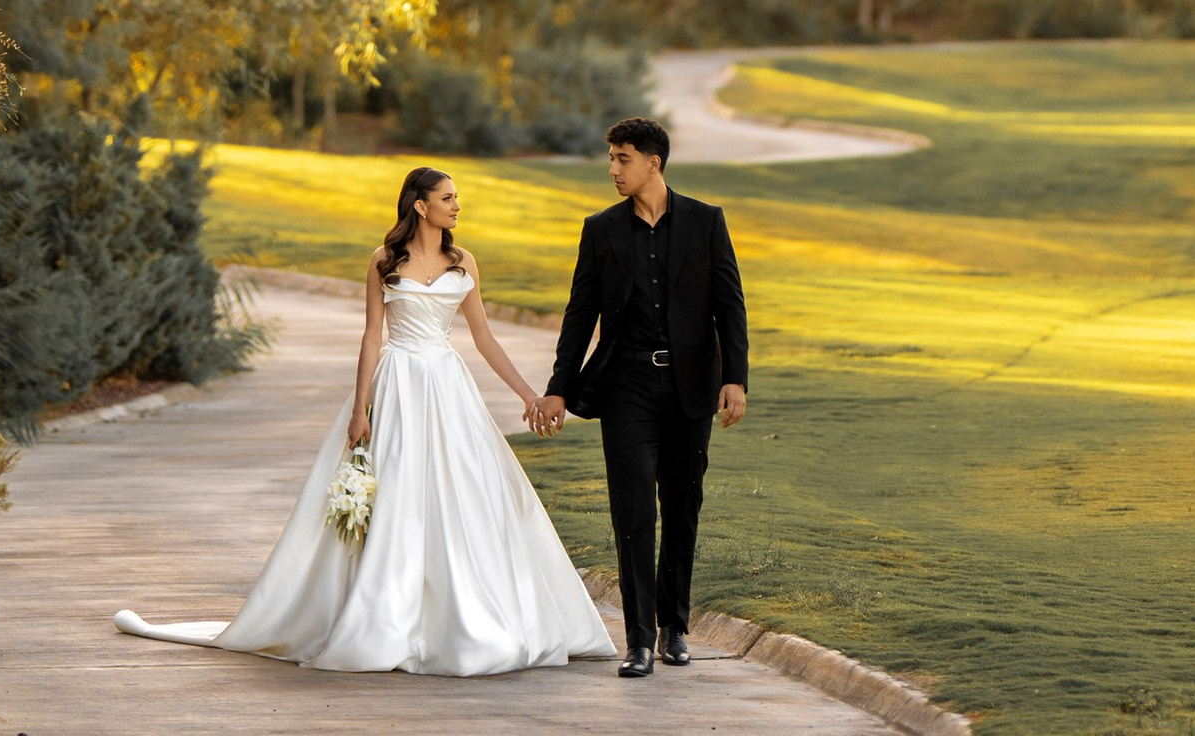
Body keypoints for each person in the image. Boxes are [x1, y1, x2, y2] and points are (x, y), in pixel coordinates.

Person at [113, 166, 611, 677]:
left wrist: (530, 394)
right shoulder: (382, 261)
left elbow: (483, 339)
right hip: (398, 384)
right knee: (396, 494)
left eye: (456, 198)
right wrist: (359, 409)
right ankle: (383, 615)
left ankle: (462, 615)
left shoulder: (464, 263)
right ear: (421, 205)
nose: (457, 206)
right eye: (448, 198)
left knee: (461, 490)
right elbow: (373, 337)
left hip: (446, 385)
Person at [546, 115, 749, 680]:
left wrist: (735, 377)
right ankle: (637, 639)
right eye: (611, 158)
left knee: (682, 508)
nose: (613, 169)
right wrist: (560, 387)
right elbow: (579, 314)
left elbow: (729, 305)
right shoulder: (601, 229)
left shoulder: (707, 223)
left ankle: (674, 627)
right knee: (633, 512)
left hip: (691, 388)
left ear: (653, 163)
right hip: (627, 387)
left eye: (622, 159)